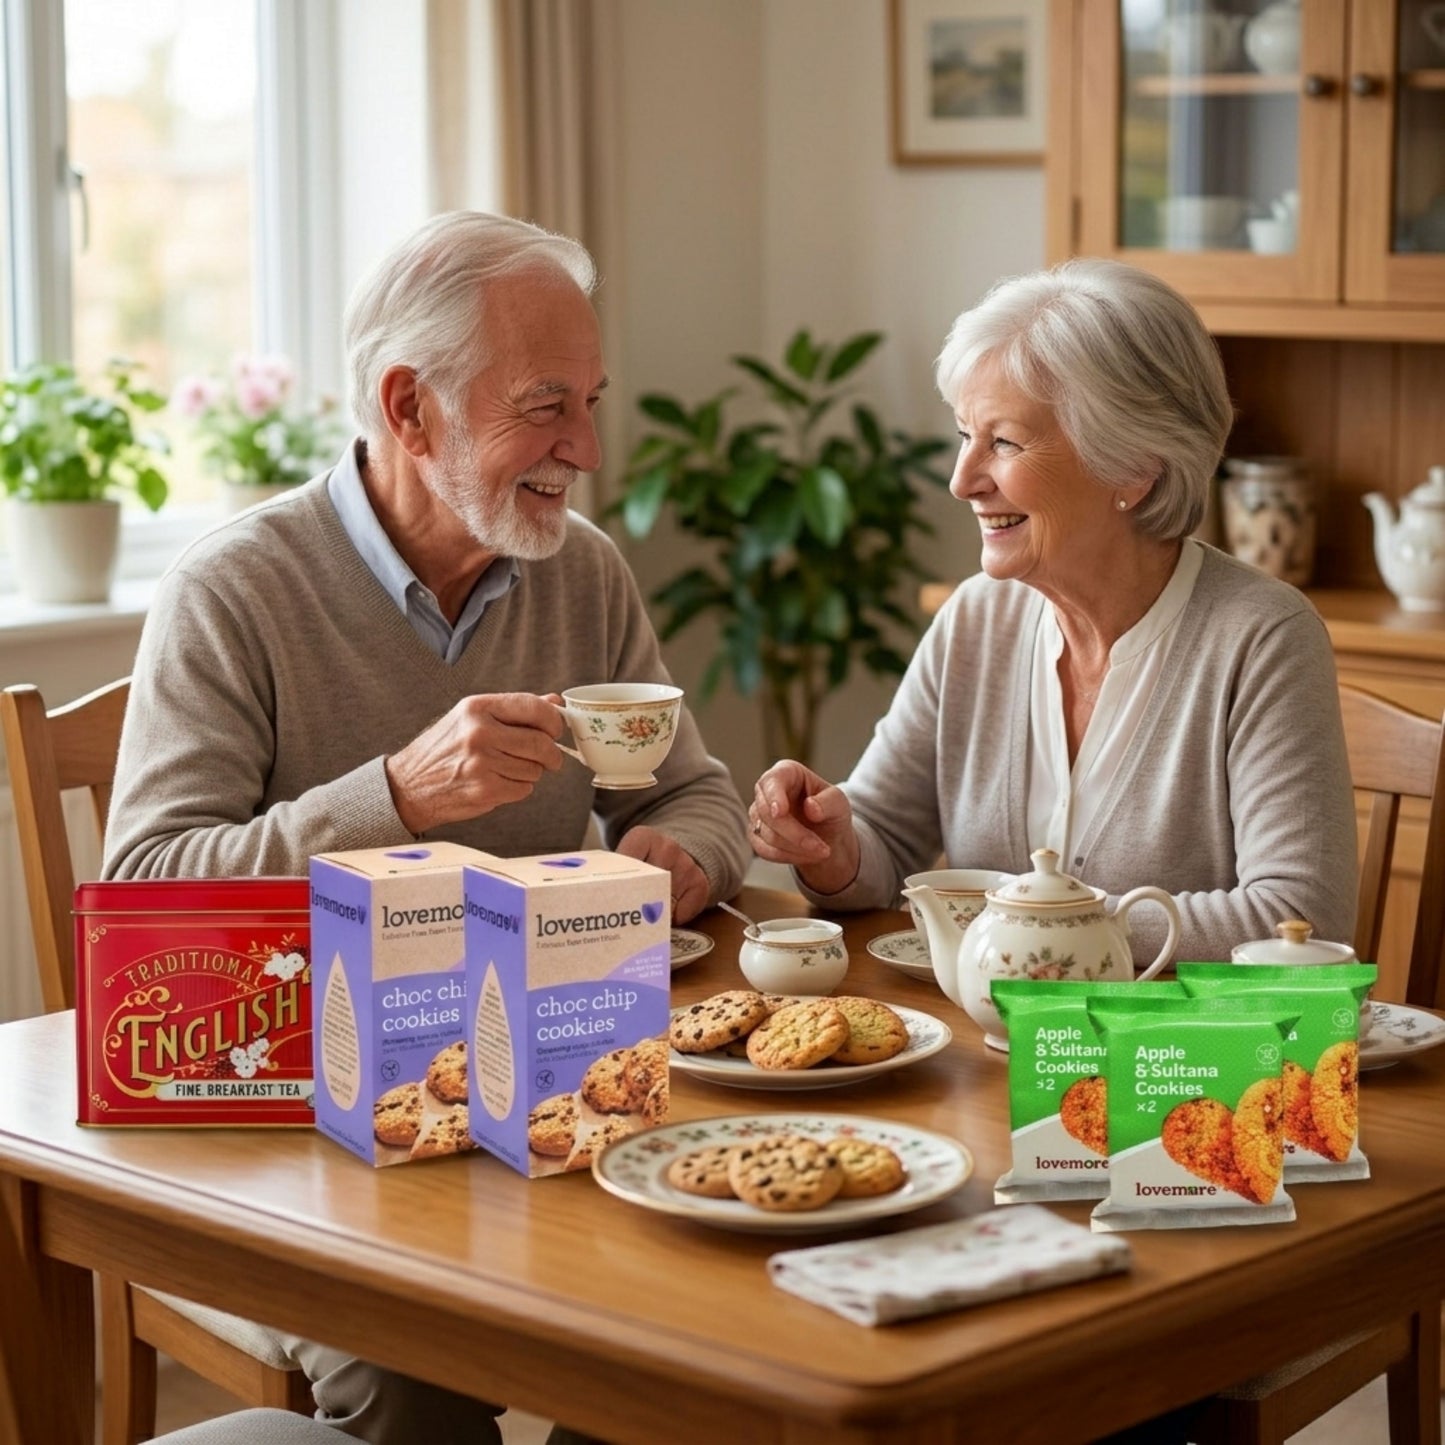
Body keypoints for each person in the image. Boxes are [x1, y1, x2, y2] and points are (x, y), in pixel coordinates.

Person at [103, 210, 751, 1443]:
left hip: (552, 1081)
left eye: (593, 400)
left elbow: (694, 789)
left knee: (697, 1335)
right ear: (409, 410)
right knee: (419, 1368)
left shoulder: (583, 573)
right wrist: (391, 797)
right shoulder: (234, 590)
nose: (589, 448)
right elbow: (143, 895)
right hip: (315, 1117)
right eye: (546, 404)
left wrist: (683, 852)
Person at [748, 255, 1357, 970]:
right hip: (980, 1062)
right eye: (962, 435)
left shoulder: (1260, 637)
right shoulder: (975, 621)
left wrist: (1038, 930)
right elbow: (881, 836)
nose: (961, 479)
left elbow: (1296, 916)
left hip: (1174, 1069)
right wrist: (830, 842)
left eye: (1003, 441)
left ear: (1131, 466)